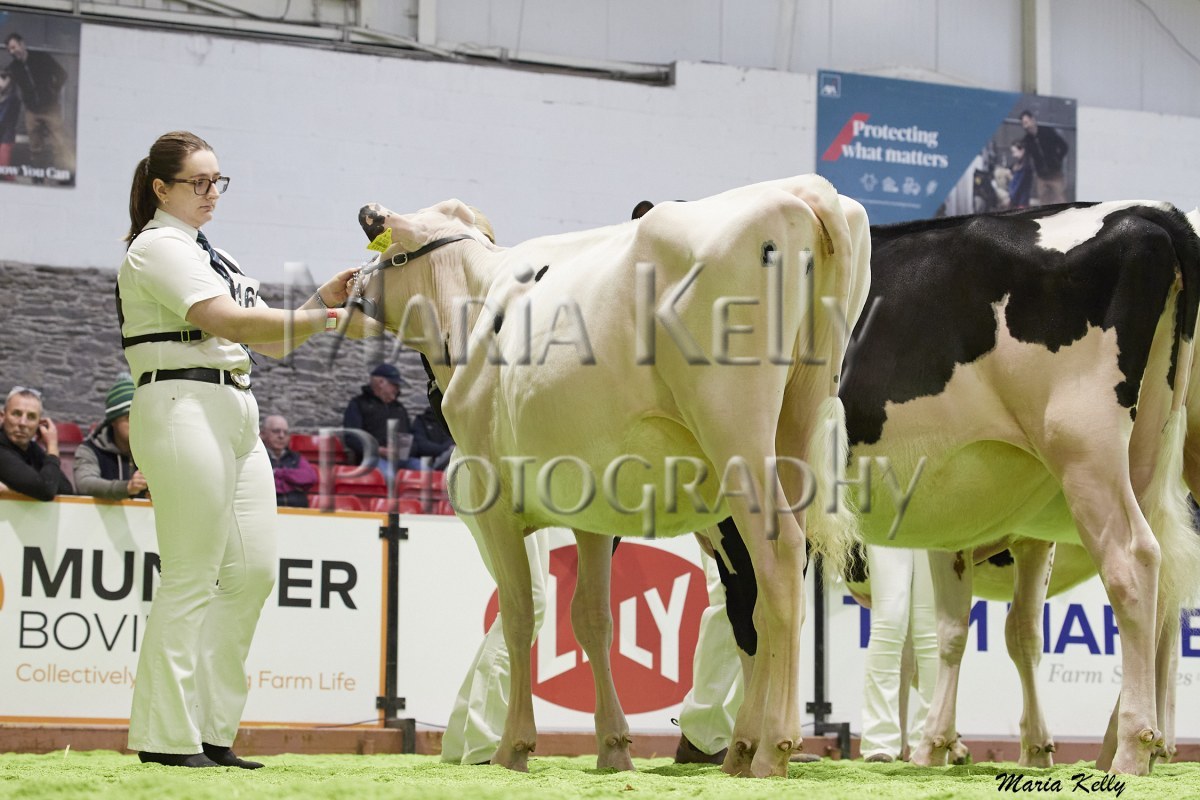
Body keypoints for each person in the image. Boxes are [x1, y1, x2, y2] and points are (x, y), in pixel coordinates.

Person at [118, 130, 359, 769]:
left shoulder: (214, 253)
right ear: (161, 188)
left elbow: (267, 340)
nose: (211, 193)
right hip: (180, 402)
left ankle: (211, 730)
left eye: (217, 181)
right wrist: (325, 320)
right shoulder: (156, 247)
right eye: (197, 182)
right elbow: (224, 321)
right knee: (191, 572)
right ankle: (165, 738)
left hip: (236, 406)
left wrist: (321, 301)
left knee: (252, 572)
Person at [857, 546, 938, 762]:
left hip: (938, 524)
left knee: (930, 625)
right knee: (889, 620)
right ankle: (879, 740)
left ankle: (931, 737)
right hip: (888, 525)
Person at [74, 375, 148, 500]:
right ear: (113, 421)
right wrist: (127, 487)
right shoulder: (90, 449)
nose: (137, 423)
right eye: (128, 417)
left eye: (140, 416)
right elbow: (84, 483)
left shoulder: (152, 450)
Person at [4, 33, 69, 174]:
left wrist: (53, 91)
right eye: (9, 50)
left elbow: (62, 74)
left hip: (50, 108)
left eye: (14, 47)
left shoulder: (41, 57)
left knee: (59, 142)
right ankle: (37, 175)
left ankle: (61, 174)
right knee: (35, 146)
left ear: (22, 44)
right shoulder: (14, 67)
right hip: (32, 111)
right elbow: (5, 82)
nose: (12, 52)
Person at [342, 363, 419, 478]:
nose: (397, 389)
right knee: (389, 476)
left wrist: (402, 450)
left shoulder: (399, 408)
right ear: (381, 382)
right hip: (372, 458)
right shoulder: (358, 404)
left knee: (427, 473)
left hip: (400, 459)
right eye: (394, 385)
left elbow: (411, 438)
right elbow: (351, 438)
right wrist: (378, 450)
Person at [0, 386, 74, 500]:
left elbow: (66, 490)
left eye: (31, 417)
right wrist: (52, 447)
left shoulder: (32, 448)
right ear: (2, 417)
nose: (23, 423)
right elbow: (46, 491)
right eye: (16, 414)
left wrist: (13, 491)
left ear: (39, 424)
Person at [260, 414, 317, 507]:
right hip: (268, 509)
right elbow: (260, 484)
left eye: (286, 432)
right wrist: (293, 483)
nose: (281, 436)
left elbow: (310, 477)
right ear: (262, 434)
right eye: (276, 431)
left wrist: (277, 473)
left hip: (298, 511)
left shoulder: (296, 458)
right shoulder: (256, 457)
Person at [1019, 109, 1069, 205]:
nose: (1026, 126)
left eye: (1026, 122)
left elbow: (1063, 146)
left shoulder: (1047, 132)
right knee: (1044, 202)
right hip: (1041, 176)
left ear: (1033, 120)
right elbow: (1026, 156)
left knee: (1061, 200)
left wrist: (1058, 159)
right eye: (1023, 124)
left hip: (1055, 174)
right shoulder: (1027, 140)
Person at [411, 406, 454, 470]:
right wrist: (443, 449)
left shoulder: (447, 421)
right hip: (424, 460)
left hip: (446, 459)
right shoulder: (420, 420)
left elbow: (451, 441)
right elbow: (421, 446)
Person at [0, 68, 20, 172]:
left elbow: (3, 119)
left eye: (3, 78)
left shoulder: (13, 99)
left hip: (6, 136)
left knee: (3, 167)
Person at [1007, 140, 1032, 209]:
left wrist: (1011, 197)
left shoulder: (1025, 167)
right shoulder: (1020, 164)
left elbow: (1018, 185)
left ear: (1022, 150)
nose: (1013, 155)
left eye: (1014, 152)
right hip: (1018, 199)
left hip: (1020, 201)